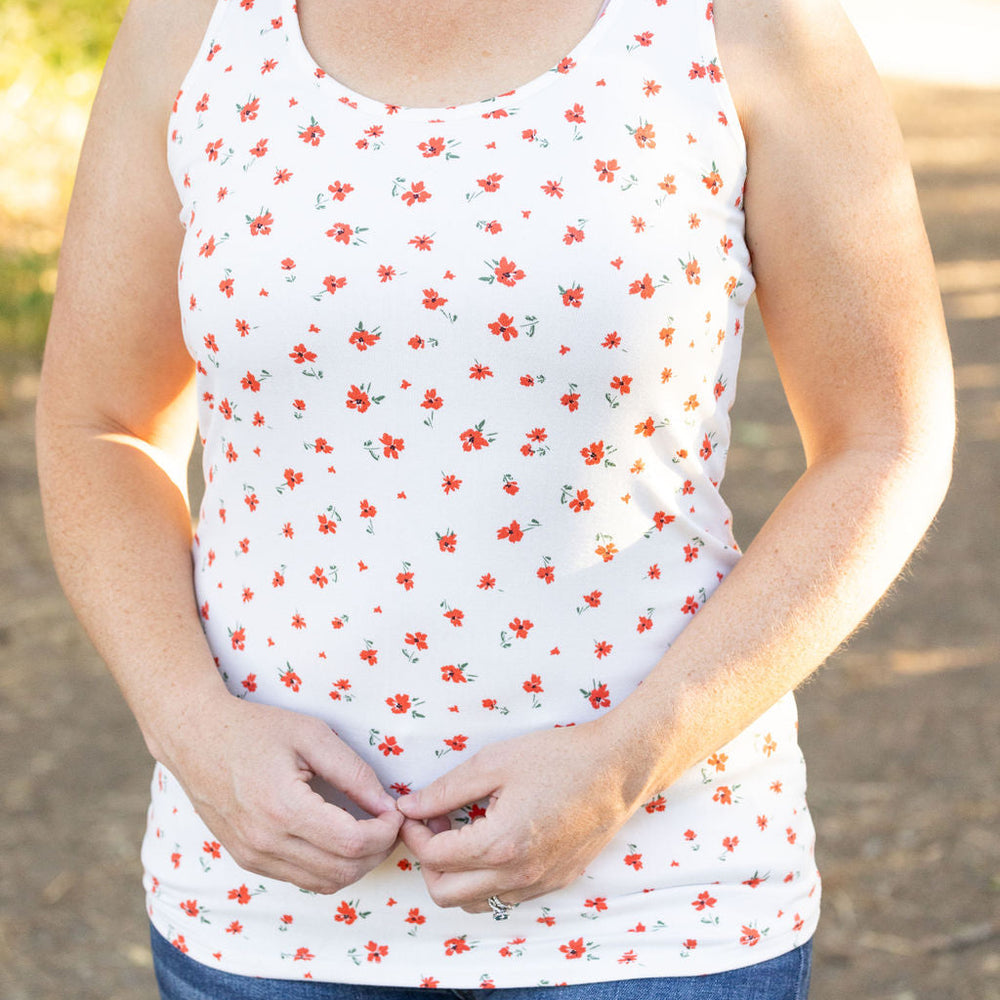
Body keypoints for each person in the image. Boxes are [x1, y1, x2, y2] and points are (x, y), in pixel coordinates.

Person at [35, 0, 954, 996]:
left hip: (656, 927)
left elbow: (883, 437)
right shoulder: (196, 25)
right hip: (264, 927)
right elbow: (102, 423)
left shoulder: (743, 24)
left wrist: (622, 764)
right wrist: (187, 723)